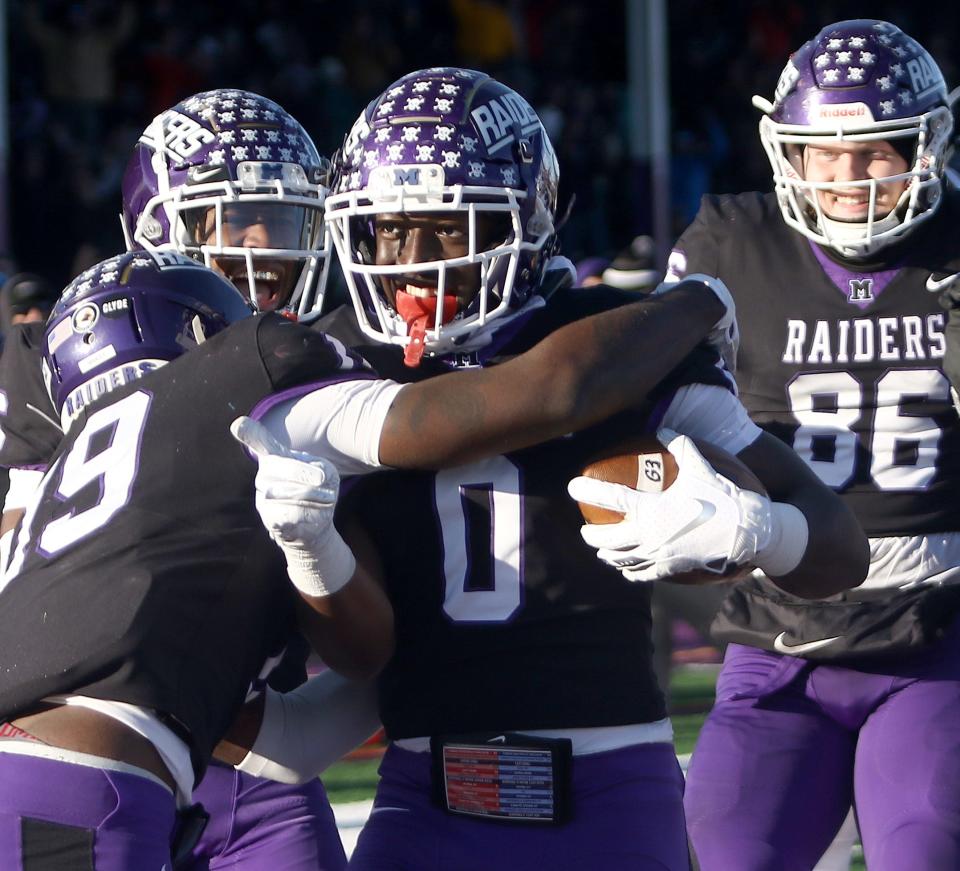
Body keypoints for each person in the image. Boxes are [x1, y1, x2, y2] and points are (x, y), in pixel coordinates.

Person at [0, 225, 745, 867]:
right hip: (81, 777)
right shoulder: (250, 370)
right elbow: (546, 392)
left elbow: (294, 733)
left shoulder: (82, 489)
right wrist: (698, 297)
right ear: (205, 338)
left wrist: (318, 551)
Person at [314, 66, 868, 871]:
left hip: (605, 788)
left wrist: (763, 527)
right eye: (389, 231)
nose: (413, 263)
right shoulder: (341, 358)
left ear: (525, 222)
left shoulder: (616, 346)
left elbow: (839, 548)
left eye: (448, 228)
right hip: (424, 791)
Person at [660, 20, 960, 871]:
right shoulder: (730, 243)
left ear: (924, 144)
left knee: (925, 849)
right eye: (823, 154)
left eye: (873, 152)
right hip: (778, 628)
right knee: (726, 852)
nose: (847, 179)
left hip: (938, 624)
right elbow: (651, 395)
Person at [121, 88, 333, 315]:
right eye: (237, 219)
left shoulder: (325, 348)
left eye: (282, 221)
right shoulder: (123, 346)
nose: (263, 241)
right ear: (159, 227)